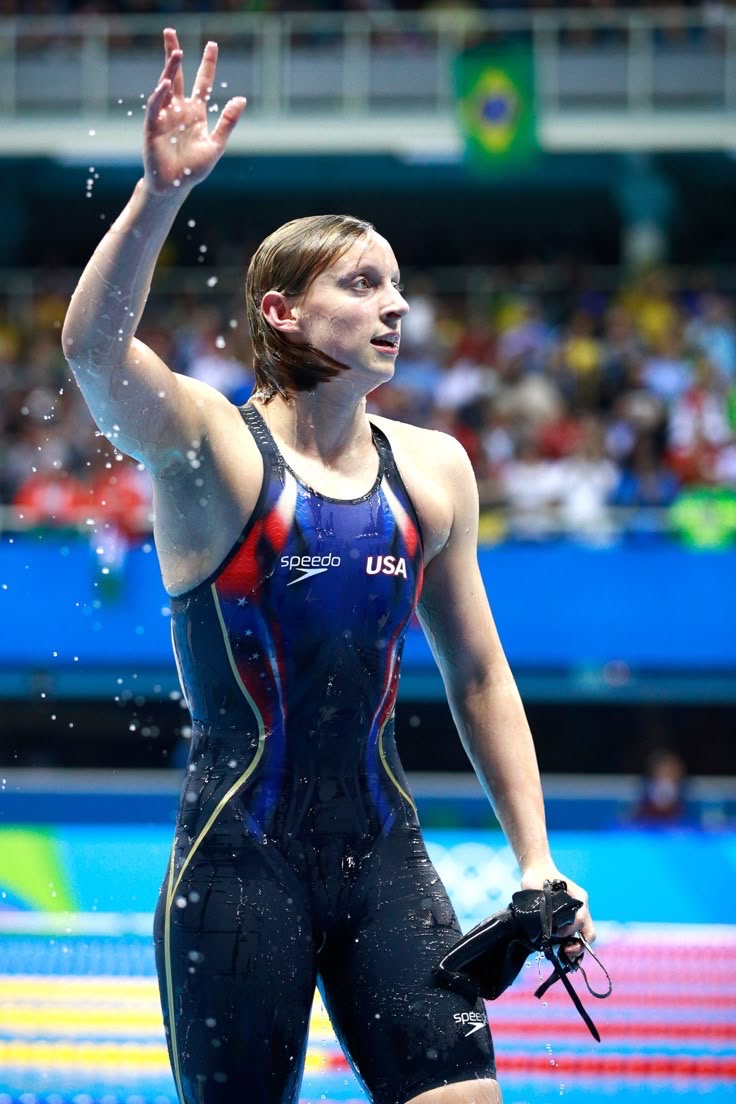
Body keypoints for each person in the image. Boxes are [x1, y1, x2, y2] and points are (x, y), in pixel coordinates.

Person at [61, 29, 596, 1104]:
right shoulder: (214, 453)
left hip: (385, 861)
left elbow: (480, 675)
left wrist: (533, 858)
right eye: (363, 284)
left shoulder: (435, 470)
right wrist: (161, 195)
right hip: (235, 873)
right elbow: (92, 354)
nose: (396, 305)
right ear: (283, 312)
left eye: (398, 285)